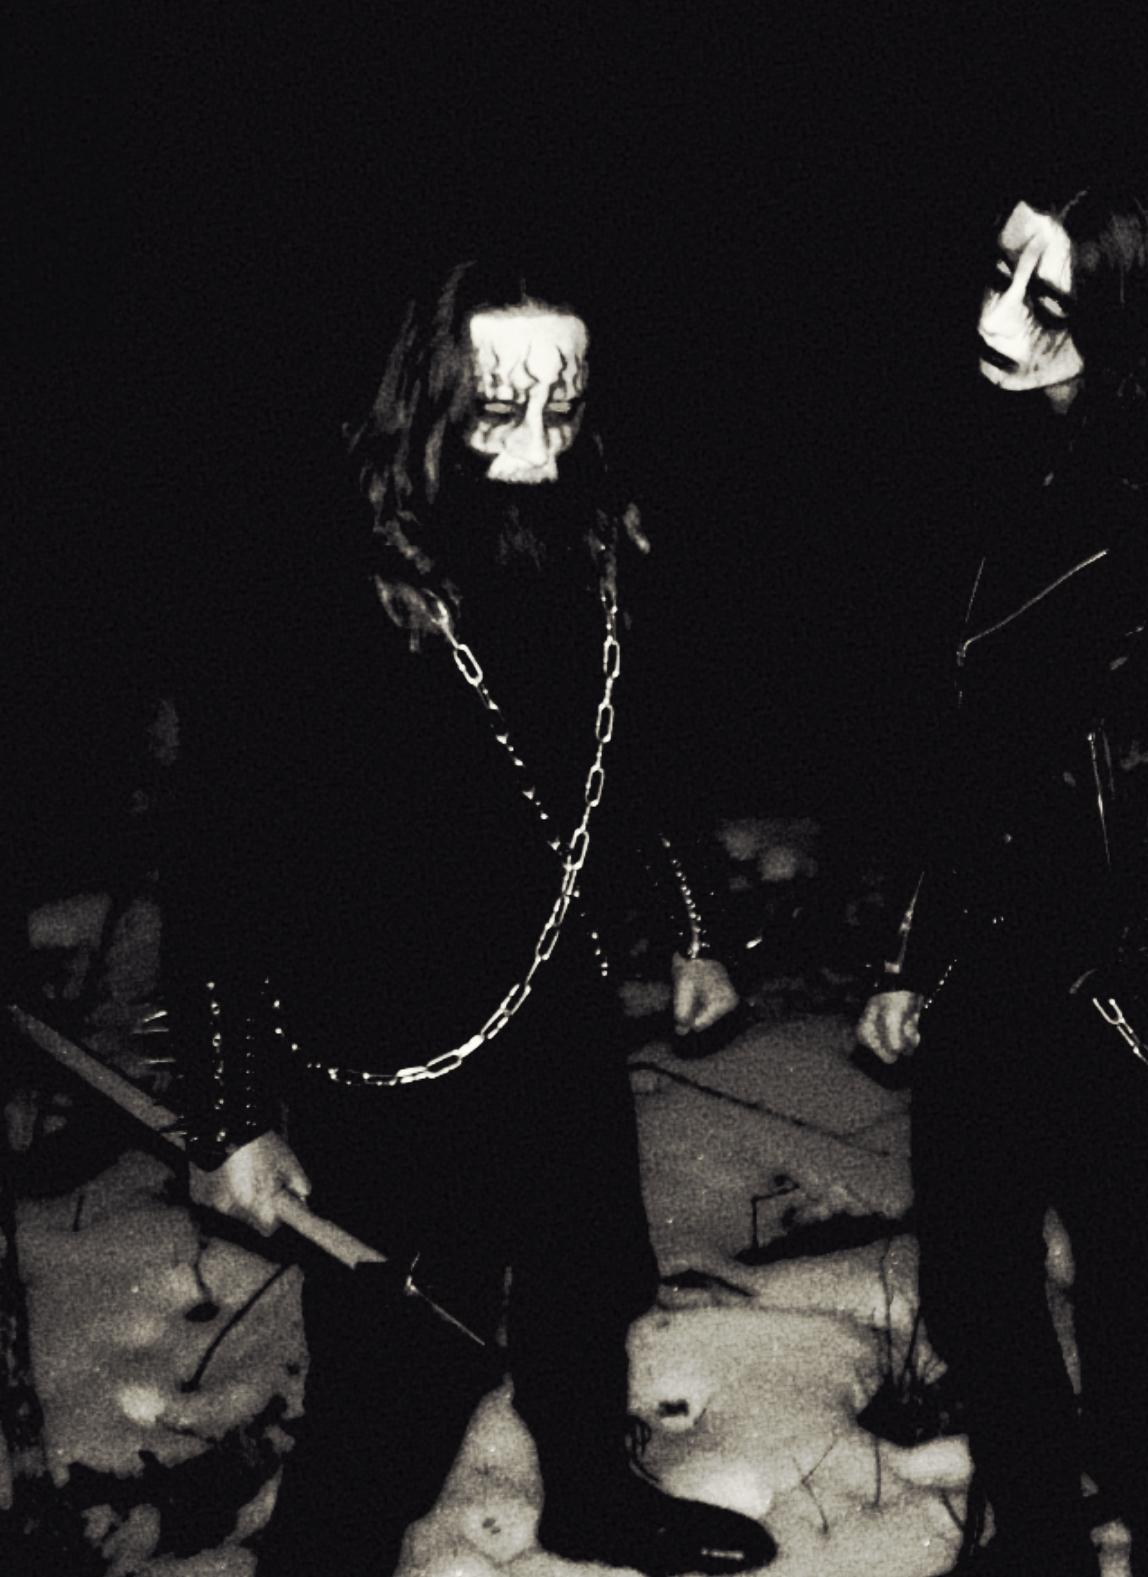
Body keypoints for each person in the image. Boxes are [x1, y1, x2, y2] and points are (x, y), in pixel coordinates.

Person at [164, 257, 777, 1577]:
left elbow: (632, 757)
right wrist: (229, 1111)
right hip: (385, 1034)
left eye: (566, 405)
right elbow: (220, 856)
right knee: (392, 1366)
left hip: (550, 1003)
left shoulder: (591, 542)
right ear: (430, 399)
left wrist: (693, 925)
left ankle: (592, 1498)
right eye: (502, 410)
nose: (540, 444)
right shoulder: (316, 575)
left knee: (585, 1287)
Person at [856, 176, 1148, 1575]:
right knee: (976, 1295)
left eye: (1052, 302)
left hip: (1136, 1000)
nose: (1000, 317)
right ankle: (1042, 1549)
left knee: (1140, 1382)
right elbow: (965, 754)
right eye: (1003, 269)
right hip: (994, 970)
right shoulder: (989, 455)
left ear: (1127, 325)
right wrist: (915, 954)